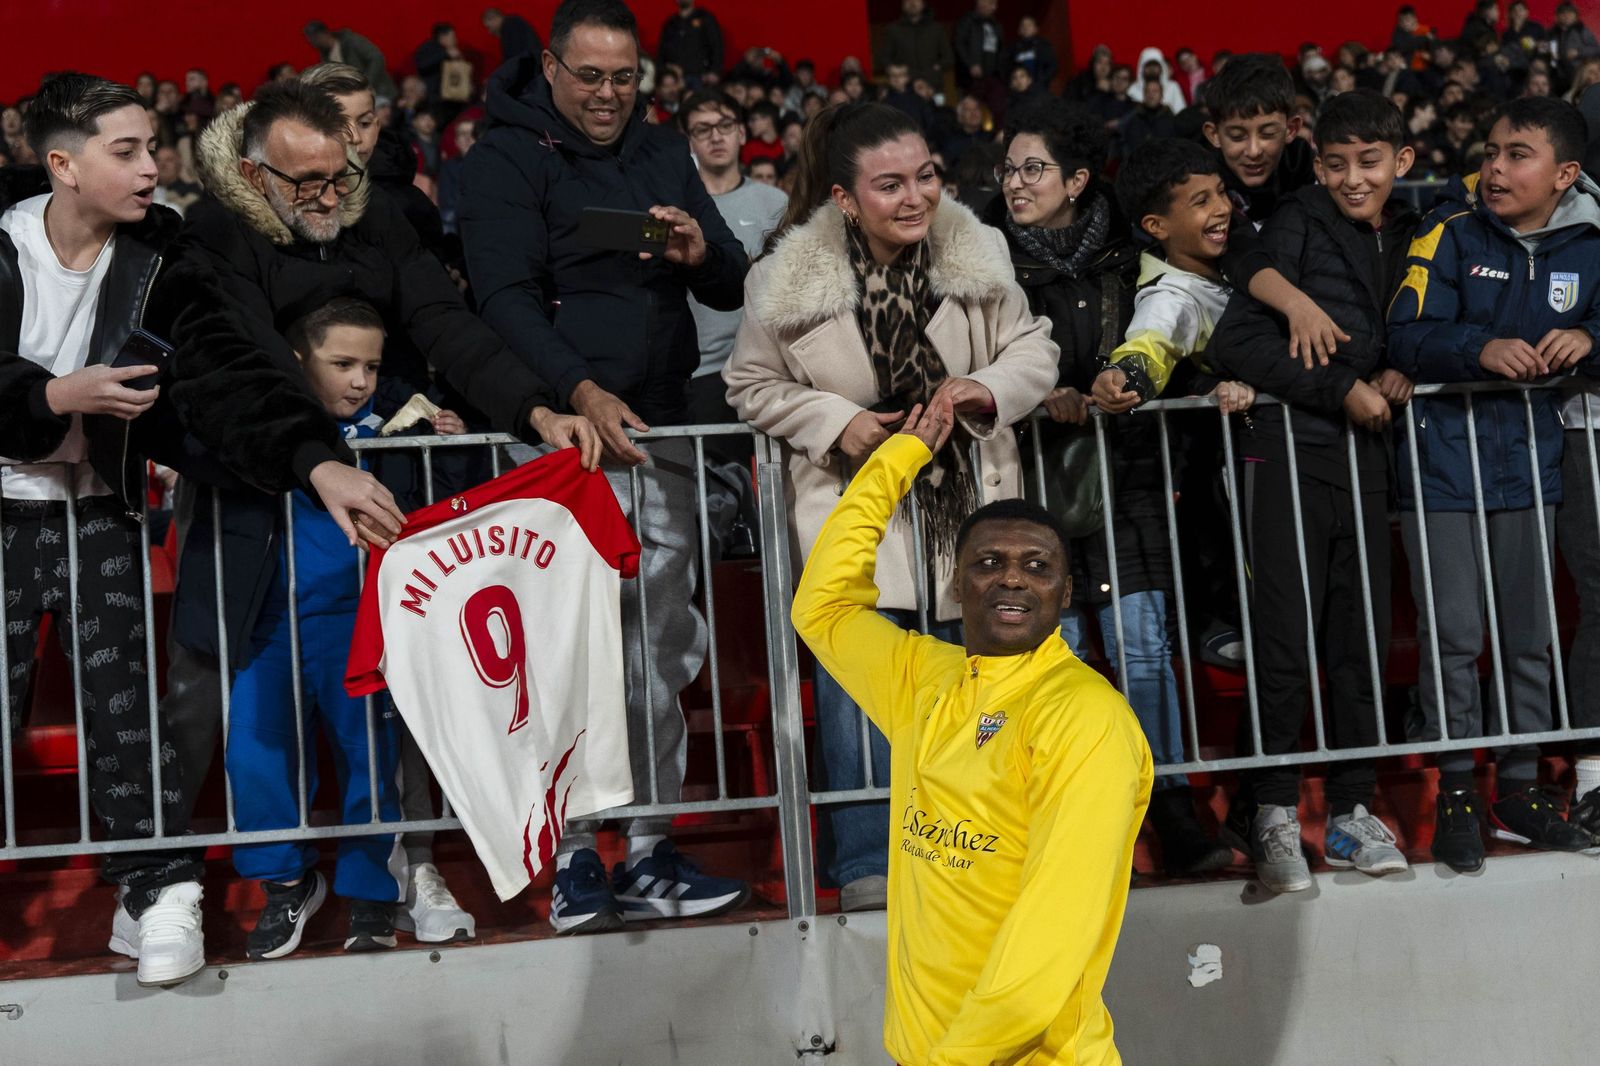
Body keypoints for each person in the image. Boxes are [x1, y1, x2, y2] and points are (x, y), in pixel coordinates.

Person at [459, 0, 752, 933]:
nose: (609, 95)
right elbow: (501, 299)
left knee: (653, 653)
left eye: (625, 78)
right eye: (590, 76)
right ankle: (578, 858)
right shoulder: (502, 159)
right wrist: (575, 393)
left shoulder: (664, 149)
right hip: (556, 443)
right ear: (549, 68)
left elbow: (731, 275)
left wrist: (702, 249)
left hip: (658, 436)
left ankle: (655, 844)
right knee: (561, 656)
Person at [725, 101, 1058, 911]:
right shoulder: (781, 280)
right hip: (857, 514)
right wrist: (839, 424)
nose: (915, 197)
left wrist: (985, 387)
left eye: (926, 177)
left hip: (971, 511)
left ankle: (983, 851)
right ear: (844, 198)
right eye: (889, 185)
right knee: (859, 695)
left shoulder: (978, 252)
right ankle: (871, 860)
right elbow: (749, 384)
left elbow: (1035, 345)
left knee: (981, 693)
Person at [790, 403, 1151, 1066]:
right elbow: (823, 605)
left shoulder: (1086, 720)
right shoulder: (924, 680)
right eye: (989, 562)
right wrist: (895, 463)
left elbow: (1050, 931)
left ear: (1065, 593)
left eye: (1037, 567)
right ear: (958, 583)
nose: (1013, 576)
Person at [986, 101, 1233, 877]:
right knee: (1060, 659)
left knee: (1145, 653)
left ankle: (1168, 812)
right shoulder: (990, 263)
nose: (1016, 183)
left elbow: (1169, 338)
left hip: (1128, 477)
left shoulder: (1130, 258)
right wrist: (1048, 393)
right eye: (1009, 169)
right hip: (1030, 489)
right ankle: (1078, 822)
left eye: (1034, 169)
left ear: (1078, 180)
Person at [0, 70, 207, 990]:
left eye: (152, 147)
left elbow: (217, 360)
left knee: (127, 719)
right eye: (126, 151)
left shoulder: (164, 253)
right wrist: (52, 396)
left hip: (104, 512)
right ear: (63, 165)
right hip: (2, 511)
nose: (152, 166)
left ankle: (156, 893)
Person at [1209, 90, 1421, 892]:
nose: (1353, 179)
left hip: (1363, 462)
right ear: (1318, 161)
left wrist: (1407, 365)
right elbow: (1238, 339)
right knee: (1285, 646)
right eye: (1337, 164)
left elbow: (1422, 325)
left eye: (1369, 163)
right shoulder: (1296, 221)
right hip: (1287, 457)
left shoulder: (1414, 230)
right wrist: (1342, 389)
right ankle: (1268, 814)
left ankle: (1353, 810)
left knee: (1359, 642)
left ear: (1400, 162)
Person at [1388, 96, 1600, 871]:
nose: (1496, 168)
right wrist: (1480, 348)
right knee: (1454, 642)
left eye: (1518, 155)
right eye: (1492, 152)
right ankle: (1456, 795)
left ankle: (1519, 791)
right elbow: (1404, 335)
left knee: (1529, 640)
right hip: (1441, 469)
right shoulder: (1447, 230)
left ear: (1564, 174)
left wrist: (1591, 335)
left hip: (1532, 464)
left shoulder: (1589, 243)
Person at [217, 298, 419, 960]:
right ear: (299, 360)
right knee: (255, 756)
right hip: (267, 620)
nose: (360, 379)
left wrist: (434, 438)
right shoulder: (259, 428)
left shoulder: (397, 430)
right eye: (343, 363)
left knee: (369, 759)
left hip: (356, 623)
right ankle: (285, 885)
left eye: (371, 366)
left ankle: (372, 896)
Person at [302, 20, 397, 100]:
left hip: (379, 91)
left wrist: (366, 82)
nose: (312, 44)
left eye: (313, 40)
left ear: (322, 35)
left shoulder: (351, 41)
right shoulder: (324, 56)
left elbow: (376, 57)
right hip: (357, 98)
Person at [876, 0, 954, 89]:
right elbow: (884, 57)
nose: (912, 3)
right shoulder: (893, 29)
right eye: (907, 0)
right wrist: (892, 68)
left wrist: (936, 69)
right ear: (903, 5)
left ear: (923, 4)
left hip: (932, 85)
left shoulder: (936, 28)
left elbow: (949, 58)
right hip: (904, 86)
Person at [953, 0, 1005, 115]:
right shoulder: (967, 21)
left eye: (996, 4)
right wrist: (971, 64)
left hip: (991, 77)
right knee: (968, 112)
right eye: (991, 3)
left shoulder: (996, 25)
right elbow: (959, 44)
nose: (994, 7)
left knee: (998, 110)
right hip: (970, 79)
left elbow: (1000, 50)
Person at [658, 0, 725, 88]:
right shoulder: (671, 23)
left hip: (700, 76)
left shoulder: (705, 18)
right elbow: (662, 51)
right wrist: (667, 68)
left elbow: (717, 46)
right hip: (675, 78)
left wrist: (714, 71)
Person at [1117, 78, 1176, 158]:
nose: (1151, 94)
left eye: (1155, 91)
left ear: (1161, 95)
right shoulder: (1133, 118)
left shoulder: (1171, 119)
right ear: (1143, 94)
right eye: (1147, 91)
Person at [1004, 16, 1057, 91]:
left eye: (1029, 25)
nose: (1026, 28)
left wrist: (1041, 81)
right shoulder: (1012, 49)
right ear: (1019, 30)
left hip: (1040, 89)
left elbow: (1053, 66)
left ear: (1035, 29)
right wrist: (1012, 81)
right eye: (1023, 25)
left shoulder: (1044, 47)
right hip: (1018, 90)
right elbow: (1005, 68)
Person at [152, 143, 202, 216]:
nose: (162, 164)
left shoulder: (192, 189)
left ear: (178, 163)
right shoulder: (147, 190)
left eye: (169, 160)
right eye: (158, 160)